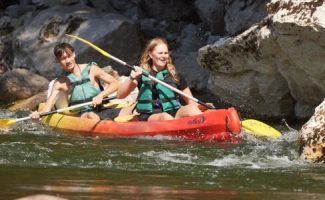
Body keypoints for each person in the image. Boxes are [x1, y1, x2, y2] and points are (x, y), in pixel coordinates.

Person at [117, 37, 203, 121]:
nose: (164, 56)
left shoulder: (174, 74)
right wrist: (131, 78)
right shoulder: (141, 74)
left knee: (191, 109)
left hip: (174, 111)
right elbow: (120, 95)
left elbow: (191, 101)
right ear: (150, 54)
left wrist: (201, 108)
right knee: (165, 117)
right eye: (160, 53)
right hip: (151, 115)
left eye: (166, 53)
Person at [31, 42, 119, 121]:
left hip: (103, 109)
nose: (68, 61)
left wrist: (101, 95)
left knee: (127, 110)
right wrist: (38, 114)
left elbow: (116, 83)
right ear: (57, 61)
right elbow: (47, 107)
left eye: (69, 56)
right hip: (82, 115)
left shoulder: (92, 69)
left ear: (74, 54)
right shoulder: (60, 83)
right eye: (63, 58)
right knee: (89, 115)